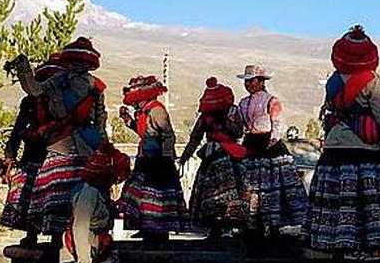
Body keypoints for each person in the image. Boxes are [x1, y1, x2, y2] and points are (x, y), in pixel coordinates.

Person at [305, 26, 380, 256]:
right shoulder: (371, 80)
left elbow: (329, 112)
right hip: (365, 150)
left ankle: (336, 251)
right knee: (365, 205)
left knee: (336, 203)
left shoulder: (333, 80)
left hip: (334, 149)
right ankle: (368, 251)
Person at [10, 37, 108, 238]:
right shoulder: (58, 81)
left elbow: (93, 117)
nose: (78, 65)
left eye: (82, 62)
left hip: (82, 145)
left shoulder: (92, 87)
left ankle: (81, 240)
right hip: (60, 144)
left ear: (89, 64)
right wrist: (23, 69)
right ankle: (51, 236)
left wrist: (103, 145)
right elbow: (35, 89)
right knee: (52, 191)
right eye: (75, 61)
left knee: (76, 194)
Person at [235, 64, 307, 235]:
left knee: (274, 186)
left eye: (253, 81)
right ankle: (252, 221)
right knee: (252, 186)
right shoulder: (243, 103)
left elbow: (278, 124)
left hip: (269, 146)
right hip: (251, 143)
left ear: (261, 82)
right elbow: (240, 126)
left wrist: (271, 143)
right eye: (247, 82)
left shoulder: (271, 101)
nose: (249, 85)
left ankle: (274, 223)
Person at [0, 54, 63, 245]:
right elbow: (19, 128)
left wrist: (11, 154)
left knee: (39, 196)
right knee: (47, 196)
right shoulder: (45, 101)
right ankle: (48, 235)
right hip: (45, 155)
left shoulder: (49, 102)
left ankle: (39, 235)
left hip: (45, 154)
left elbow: (19, 129)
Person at [117, 75, 187, 243]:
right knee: (143, 195)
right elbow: (145, 133)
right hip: (146, 159)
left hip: (159, 162)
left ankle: (159, 231)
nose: (133, 104)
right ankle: (146, 228)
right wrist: (129, 122)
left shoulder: (157, 111)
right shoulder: (144, 112)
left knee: (157, 197)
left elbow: (168, 136)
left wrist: (164, 159)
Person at [178, 77, 248, 236]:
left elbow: (238, 132)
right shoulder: (208, 116)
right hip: (220, 157)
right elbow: (195, 138)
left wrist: (185, 157)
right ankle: (219, 227)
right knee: (219, 193)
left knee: (219, 192)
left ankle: (227, 225)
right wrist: (184, 157)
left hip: (224, 156)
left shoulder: (228, 114)